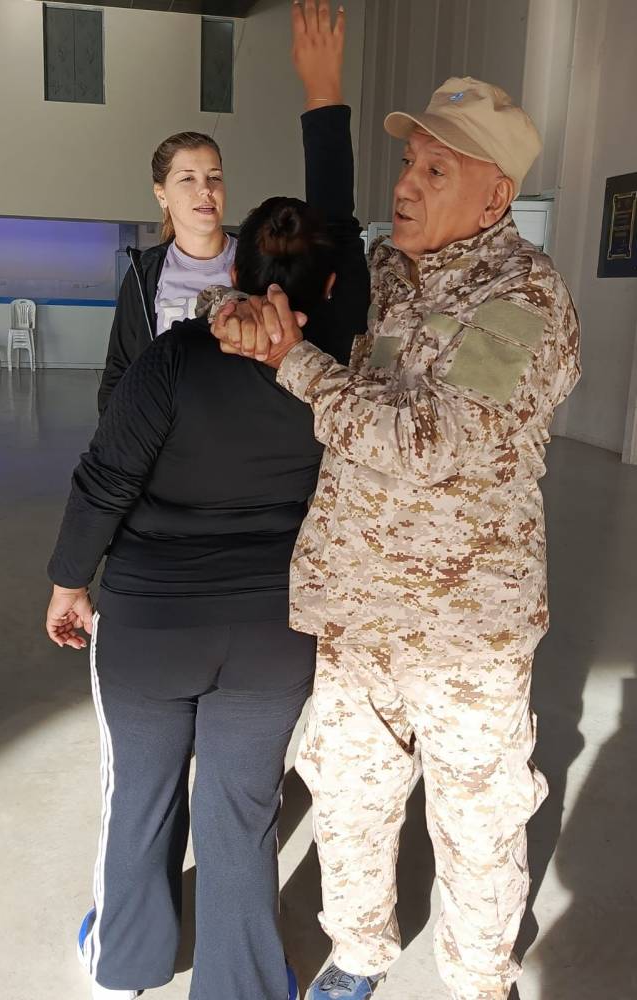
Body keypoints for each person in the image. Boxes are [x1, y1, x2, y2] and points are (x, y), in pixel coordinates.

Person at [211, 45, 582, 1000]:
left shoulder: (525, 299)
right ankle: (361, 952)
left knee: (478, 820)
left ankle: (479, 978)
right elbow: (292, 271)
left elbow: (428, 440)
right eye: (409, 162)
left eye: (435, 171)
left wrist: (296, 366)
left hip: (466, 633)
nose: (406, 184)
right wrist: (244, 313)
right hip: (357, 612)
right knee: (349, 797)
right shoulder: (390, 269)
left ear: (494, 199)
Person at [45, 6, 368, 999]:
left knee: (139, 799)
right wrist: (324, 101)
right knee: (242, 813)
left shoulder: (172, 361)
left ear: (238, 272)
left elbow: (105, 476)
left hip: (151, 625)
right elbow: (342, 238)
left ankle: (127, 962)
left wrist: (68, 580)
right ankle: (242, 985)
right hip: (271, 631)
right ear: (323, 287)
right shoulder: (333, 369)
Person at [97, 131, 236, 414]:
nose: (205, 189)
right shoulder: (145, 273)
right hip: (168, 434)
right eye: (188, 179)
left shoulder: (257, 261)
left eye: (214, 177)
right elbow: (120, 370)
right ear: (162, 195)